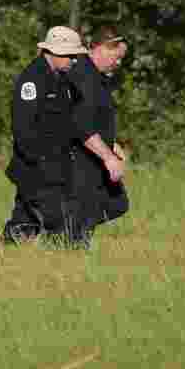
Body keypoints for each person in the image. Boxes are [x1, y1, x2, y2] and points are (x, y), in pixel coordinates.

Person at [1, 25, 91, 245]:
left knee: (24, 224)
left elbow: (74, 123)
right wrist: (43, 167)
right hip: (38, 170)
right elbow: (23, 130)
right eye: (70, 55)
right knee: (62, 224)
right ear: (54, 52)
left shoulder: (64, 81)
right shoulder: (32, 80)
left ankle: (4, 257)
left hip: (58, 167)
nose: (74, 60)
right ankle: (68, 263)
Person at [70, 24, 129, 234]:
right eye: (117, 57)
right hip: (79, 159)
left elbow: (96, 120)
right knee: (81, 218)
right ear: (103, 47)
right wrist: (108, 157)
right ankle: (63, 235)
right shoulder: (83, 75)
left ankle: (70, 231)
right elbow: (82, 126)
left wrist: (112, 145)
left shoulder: (97, 77)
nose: (118, 63)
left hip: (95, 156)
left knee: (117, 203)